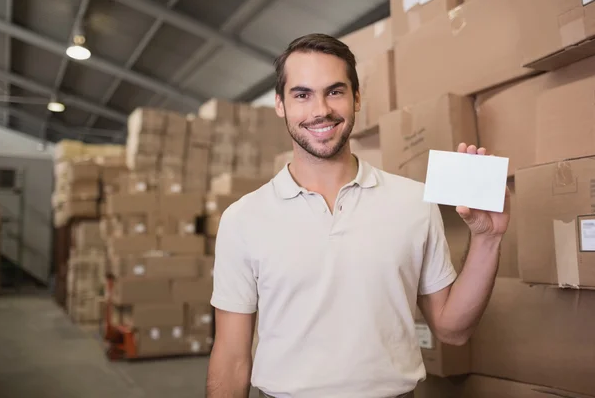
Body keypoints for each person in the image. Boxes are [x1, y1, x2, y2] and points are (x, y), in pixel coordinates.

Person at [206, 33, 510, 398]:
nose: (320, 109)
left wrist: (487, 238)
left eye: (334, 91)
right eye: (302, 94)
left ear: (357, 98)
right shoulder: (243, 219)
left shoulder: (414, 203)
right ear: (280, 105)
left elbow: (452, 330)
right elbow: (231, 358)